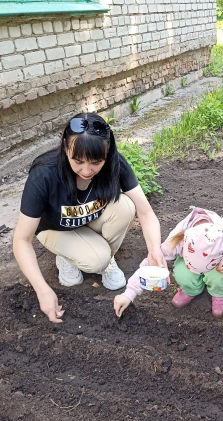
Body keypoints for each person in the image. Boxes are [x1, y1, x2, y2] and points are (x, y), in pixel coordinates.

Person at [13, 113, 167, 323]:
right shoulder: (44, 174)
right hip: (54, 228)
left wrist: (154, 249)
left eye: (96, 162)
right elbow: (21, 240)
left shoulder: (114, 165)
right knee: (97, 259)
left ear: (107, 153)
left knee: (126, 206)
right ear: (66, 148)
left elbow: (146, 212)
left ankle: (104, 258)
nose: (87, 170)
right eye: (78, 161)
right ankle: (68, 257)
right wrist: (42, 289)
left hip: (86, 217)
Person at [113, 207, 223, 318]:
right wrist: (129, 294)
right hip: (189, 264)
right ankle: (191, 289)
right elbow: (153, 261)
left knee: (219, 277)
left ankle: (219, 293)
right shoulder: (179, 237)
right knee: (183, 273)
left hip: (217, 266)